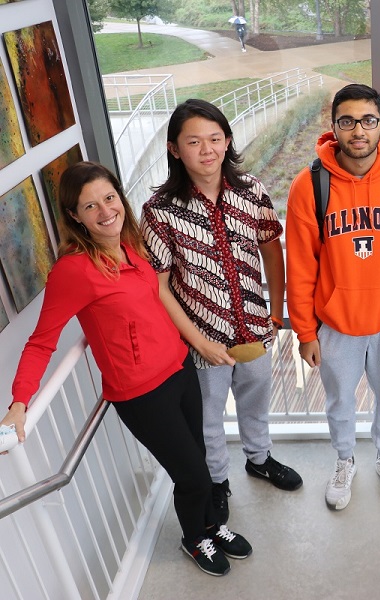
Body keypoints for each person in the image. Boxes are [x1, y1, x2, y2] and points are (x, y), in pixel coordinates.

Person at [1, 161, 251, 576]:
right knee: (191, 475)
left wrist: (199, 344)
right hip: (142, 395)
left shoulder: (130, 247)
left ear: (120, 198)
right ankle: (195, 539)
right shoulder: (73, 271)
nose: (105, 211)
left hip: (180, 372)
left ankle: (212, 524)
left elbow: (156, 306)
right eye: (90, 206)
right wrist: (20, 401)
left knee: (201, 460)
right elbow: (41, 341)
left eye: (109, 198)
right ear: (74, 217)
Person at [141, 99, 302, 526]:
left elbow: (272, 253)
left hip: (255, 331)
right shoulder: (159, 211)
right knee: (208, 420)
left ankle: (260, 458)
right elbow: (157, 287)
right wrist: (200, 342)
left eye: (215, 139)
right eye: (194, 141)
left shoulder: (252, 191)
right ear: (176, 149)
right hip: (201, 342)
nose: (206, 149)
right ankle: (217, 482)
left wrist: (276, 313)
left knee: (255, 401)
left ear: (227, 141)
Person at [285, 84, 380, 511]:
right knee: (339, 401)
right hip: (337, 323)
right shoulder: (309, 185)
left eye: (368, 120)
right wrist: (305, 332)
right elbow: (302, 267)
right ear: (335, 127)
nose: (358, 131)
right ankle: (345, 460)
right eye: (347, 121)